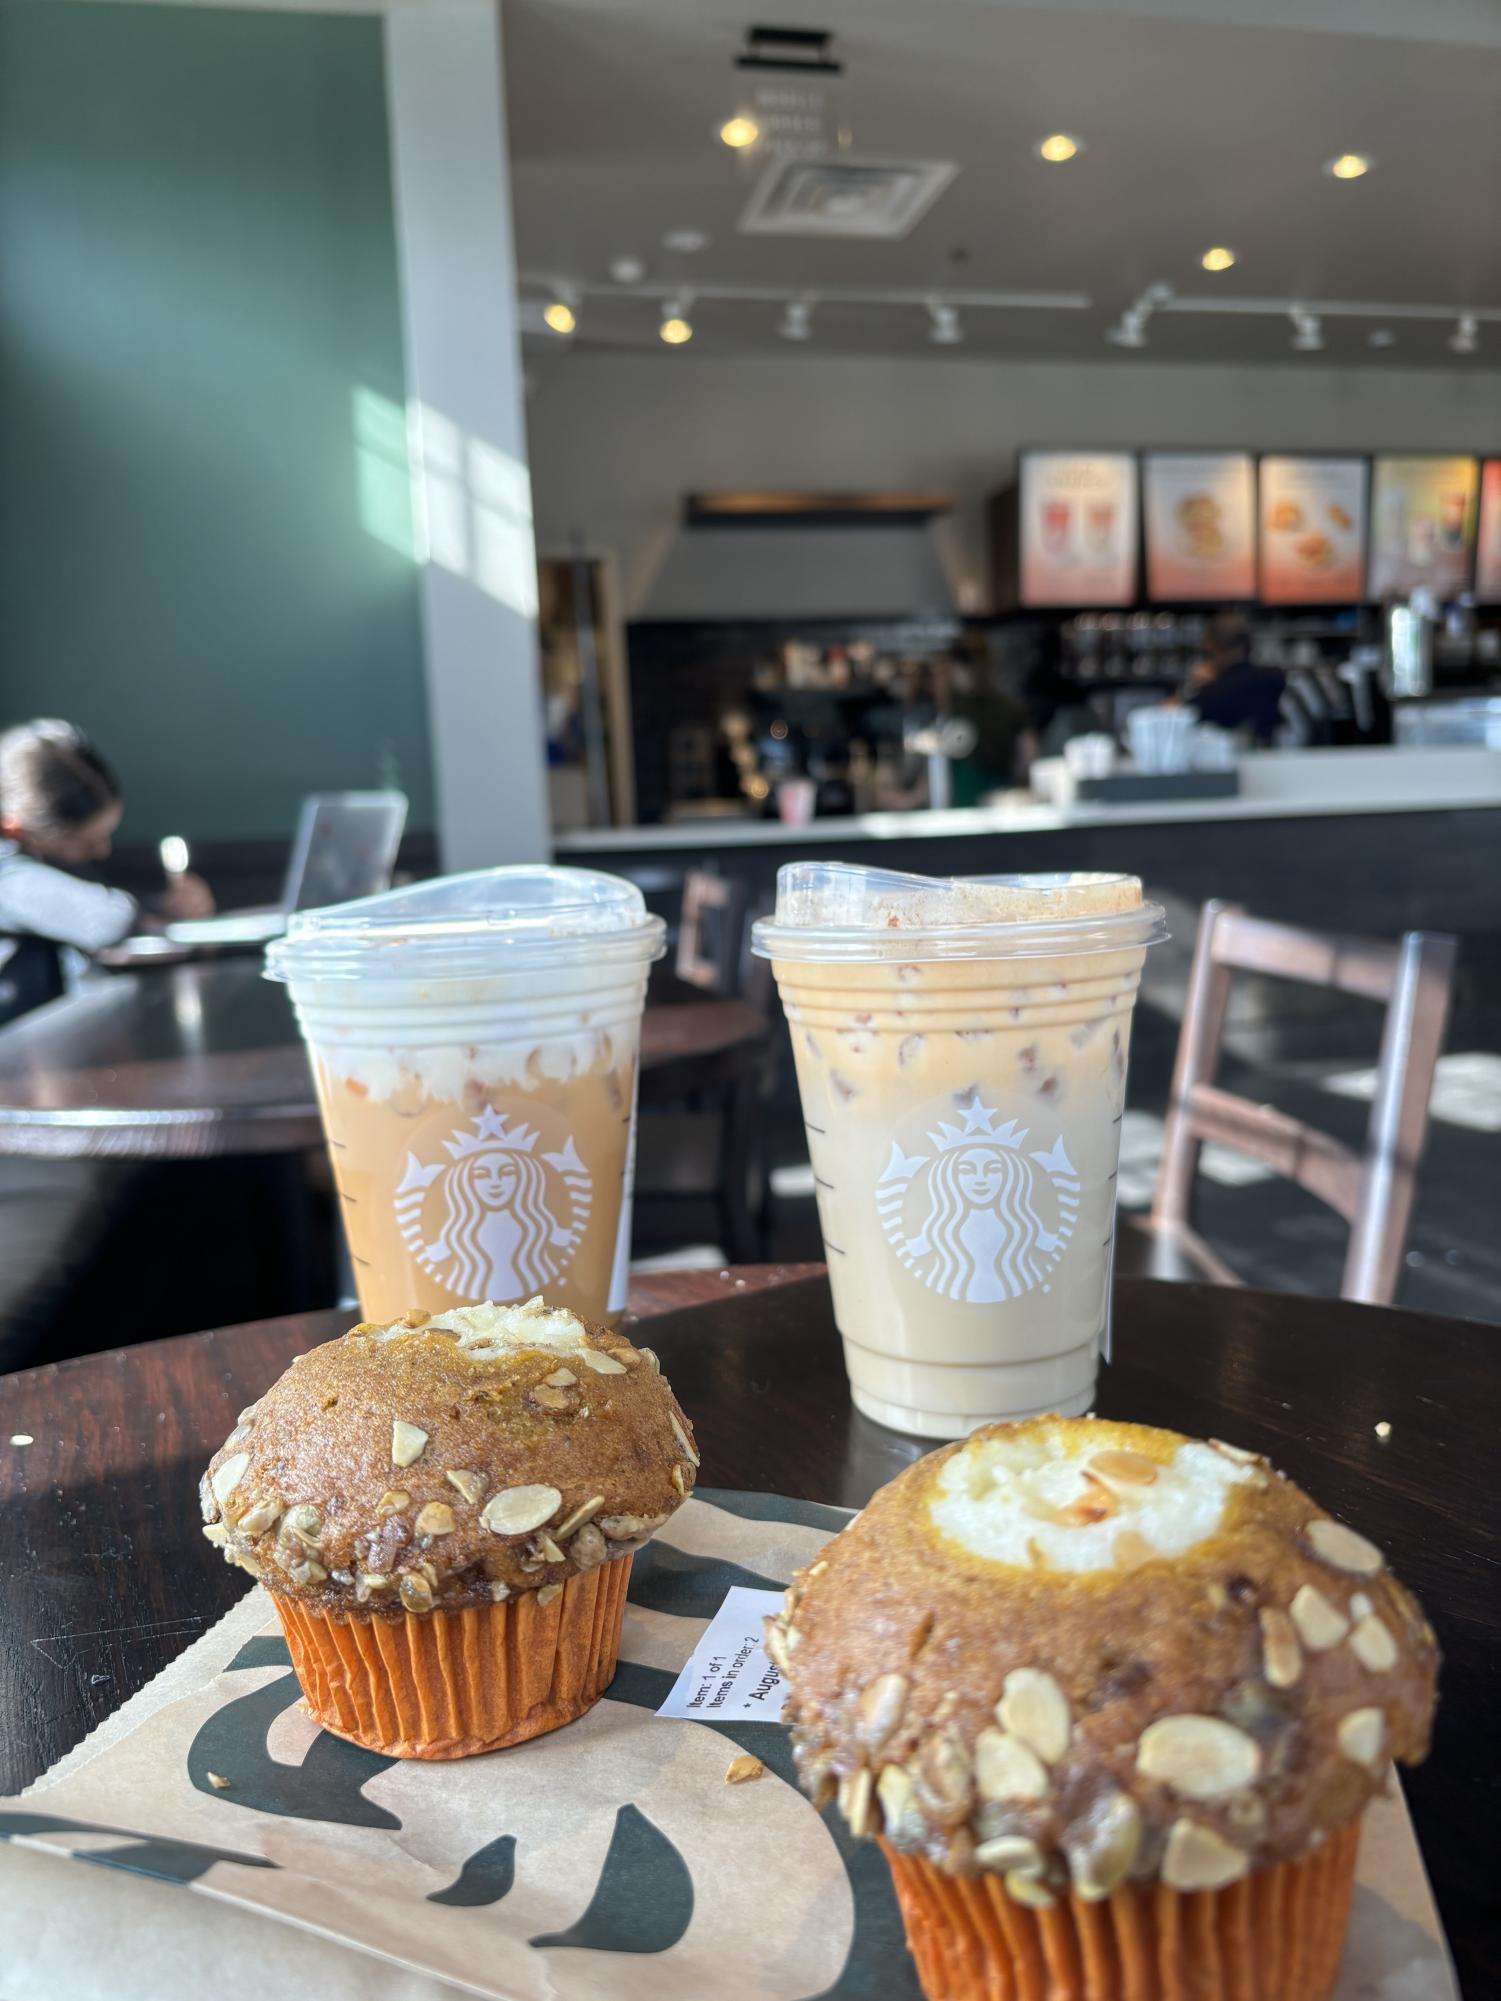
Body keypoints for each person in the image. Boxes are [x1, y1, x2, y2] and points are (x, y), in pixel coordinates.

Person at [0, 719, 214, 1023]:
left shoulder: (44, 860)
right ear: (15, 829)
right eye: (86, 843)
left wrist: (167, 907)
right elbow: (108, 919)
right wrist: (151, 912)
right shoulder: (8, 875)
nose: (103, 851)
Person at [1181, 612, 1286, 744]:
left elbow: (1179, 716)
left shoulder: (1215, 693)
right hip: (1274, 756)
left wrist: (1192, 687)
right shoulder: (1274, 678)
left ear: (1216, 649)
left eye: (1208, 652)